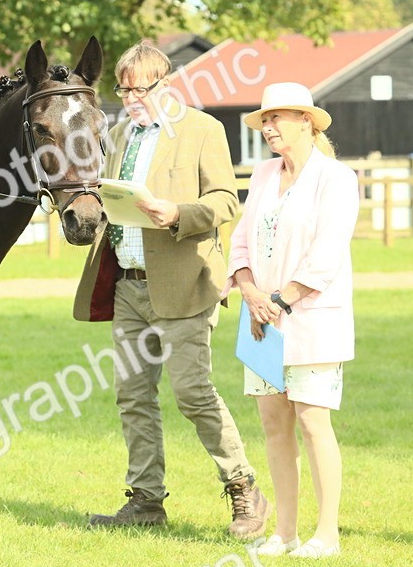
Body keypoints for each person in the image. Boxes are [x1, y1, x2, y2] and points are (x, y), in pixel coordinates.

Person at [73, 41, 270, 538]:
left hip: (185, 284)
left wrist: (178, 213)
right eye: (124, 90)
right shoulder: (118, 134)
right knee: (132, 396)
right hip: (128, 285)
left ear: (167, 83)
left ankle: (244, 487)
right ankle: (146, 500)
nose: (132, 99)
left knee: (192, 393)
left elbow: (225, 200)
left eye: (141, 89)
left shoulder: (203, 130)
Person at [225, 83, 358, 559]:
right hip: (261, 321)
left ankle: (327, 535)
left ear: (306, 121)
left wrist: (279, 300)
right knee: (273, 424)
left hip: (310, 319)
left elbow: (327, 253)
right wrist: (250, 292)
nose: (268, 127)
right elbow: (240, 241)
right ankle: (284, 533)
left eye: (277, 118)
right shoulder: (263, 174)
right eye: (264, 120)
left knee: (312, 422)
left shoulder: (336, 178)